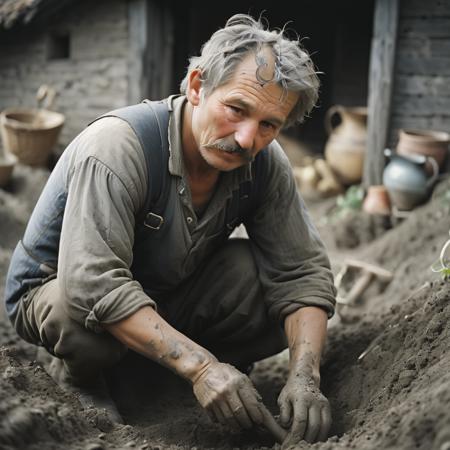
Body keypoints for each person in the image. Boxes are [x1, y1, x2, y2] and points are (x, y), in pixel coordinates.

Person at [4, 13, 336, 447]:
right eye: (236, 109)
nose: (246, 139)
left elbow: (303, 274)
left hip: (165, 287)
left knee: (270, 294)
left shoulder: (264, 165)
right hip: (58, 290)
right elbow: (92, 282)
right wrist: (201, 366)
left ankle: (160, 370)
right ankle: (83, 378)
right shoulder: (118, 146)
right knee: (81, 320)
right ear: (197, 87)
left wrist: (305, 377)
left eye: (269, 125)